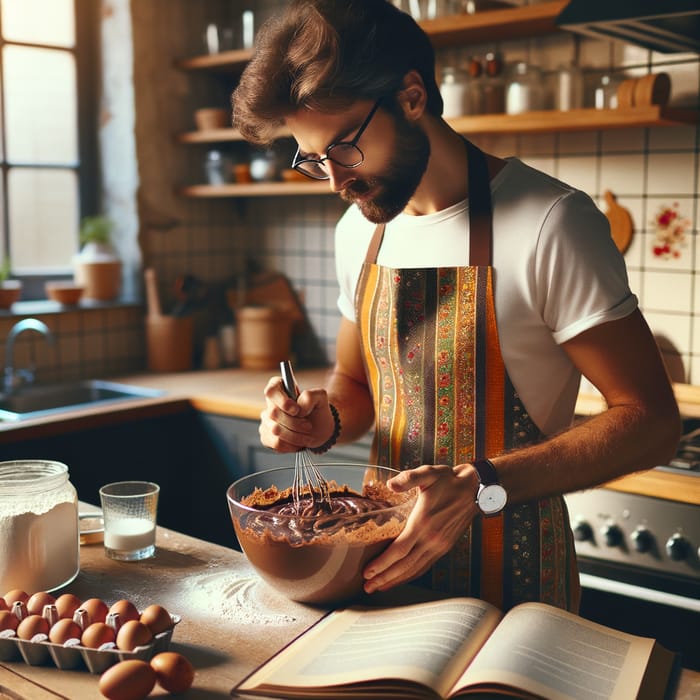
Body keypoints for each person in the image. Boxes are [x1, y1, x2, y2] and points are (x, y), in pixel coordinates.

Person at [231, 0, 680, 612]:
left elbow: (652, 423)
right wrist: (323, 419)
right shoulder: (358, 231)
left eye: (343, 147)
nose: (336, 179)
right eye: (313, 159)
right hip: (377, 573)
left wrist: (480, 486)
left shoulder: (552, 223)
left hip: (515, 588)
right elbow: (357, 384)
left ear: (412, 96)